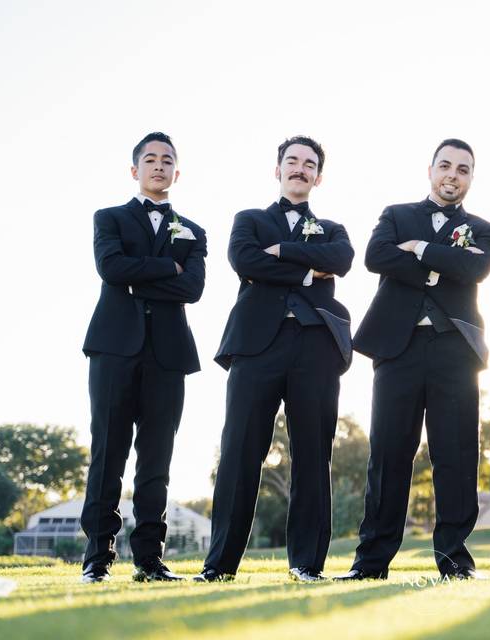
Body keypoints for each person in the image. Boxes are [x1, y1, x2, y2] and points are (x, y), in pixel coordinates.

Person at [336, 139, 490, 580]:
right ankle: (371, 563)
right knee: (388, 454)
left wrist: (421, 251)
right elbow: (376, 257)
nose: (453, 175)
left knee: (457, 455)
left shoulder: (482, 229)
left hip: (455, 350)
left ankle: (454, 562)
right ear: (430, 170)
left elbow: (475, 270)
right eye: (445, 165)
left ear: (470, 178)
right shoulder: (396, 214)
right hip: (397, 348)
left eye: (463, 169)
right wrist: (443, 264)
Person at [197, 136, 354, 583]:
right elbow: (243, 259)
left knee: (312, 454)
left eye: (309, 164)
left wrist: (282, 253)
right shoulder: (248, 220)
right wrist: (309, 270)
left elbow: (341, 260)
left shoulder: (333, 229)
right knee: (239, 452)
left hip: (316, 346)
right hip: (255, 346)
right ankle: (219, 565)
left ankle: (306, 564)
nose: (300, 169)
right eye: (292, 161)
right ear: (278, 170)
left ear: (318, 177)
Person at [80, 132, 207, 583]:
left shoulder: (194, 231)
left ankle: (150, 561)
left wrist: (139, 277)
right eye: (149, 159)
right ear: (135, 170)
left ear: (177, 171)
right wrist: (166, 268)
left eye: (167, 160)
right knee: (107, 454)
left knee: (157, 460)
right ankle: (97, 558)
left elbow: (192, 289)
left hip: (169, 355)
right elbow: (111, 269)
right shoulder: (109, 218)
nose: (158, 165)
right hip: (114, 347)